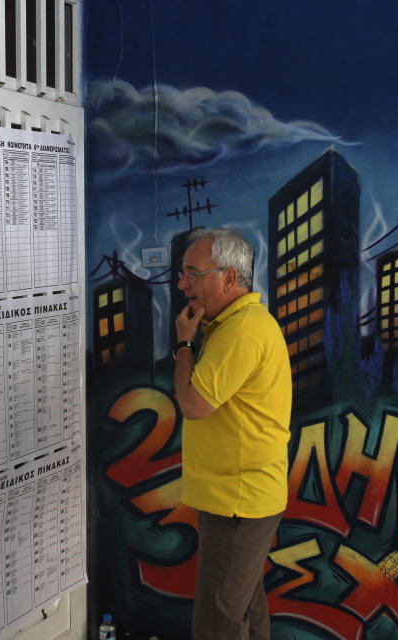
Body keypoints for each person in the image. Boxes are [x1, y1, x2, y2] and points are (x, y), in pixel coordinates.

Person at [173, 227, 292, 640]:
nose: (181, 283)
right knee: (243, 610)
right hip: (241, 499)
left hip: (237, 505)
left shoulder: (240, 332)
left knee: (218, 624)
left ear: (228, 278)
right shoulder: (234, 325)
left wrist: (183, 346)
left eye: (192, 273)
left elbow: (192, 404)